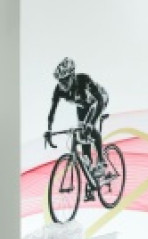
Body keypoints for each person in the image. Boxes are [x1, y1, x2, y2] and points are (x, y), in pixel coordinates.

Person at [45, 57, 110, 197]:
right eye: (60, 81)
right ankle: (91, 181)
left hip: (98, 100)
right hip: (83, 105)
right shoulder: (59, 90)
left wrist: (89, 124)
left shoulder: (83, 81)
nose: (62, 84)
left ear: (72, 75)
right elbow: (52, 111)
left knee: (89, 128)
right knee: (82, 137)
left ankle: (101, 161)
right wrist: (49, 130)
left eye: (65, 80)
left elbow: (97, 101)